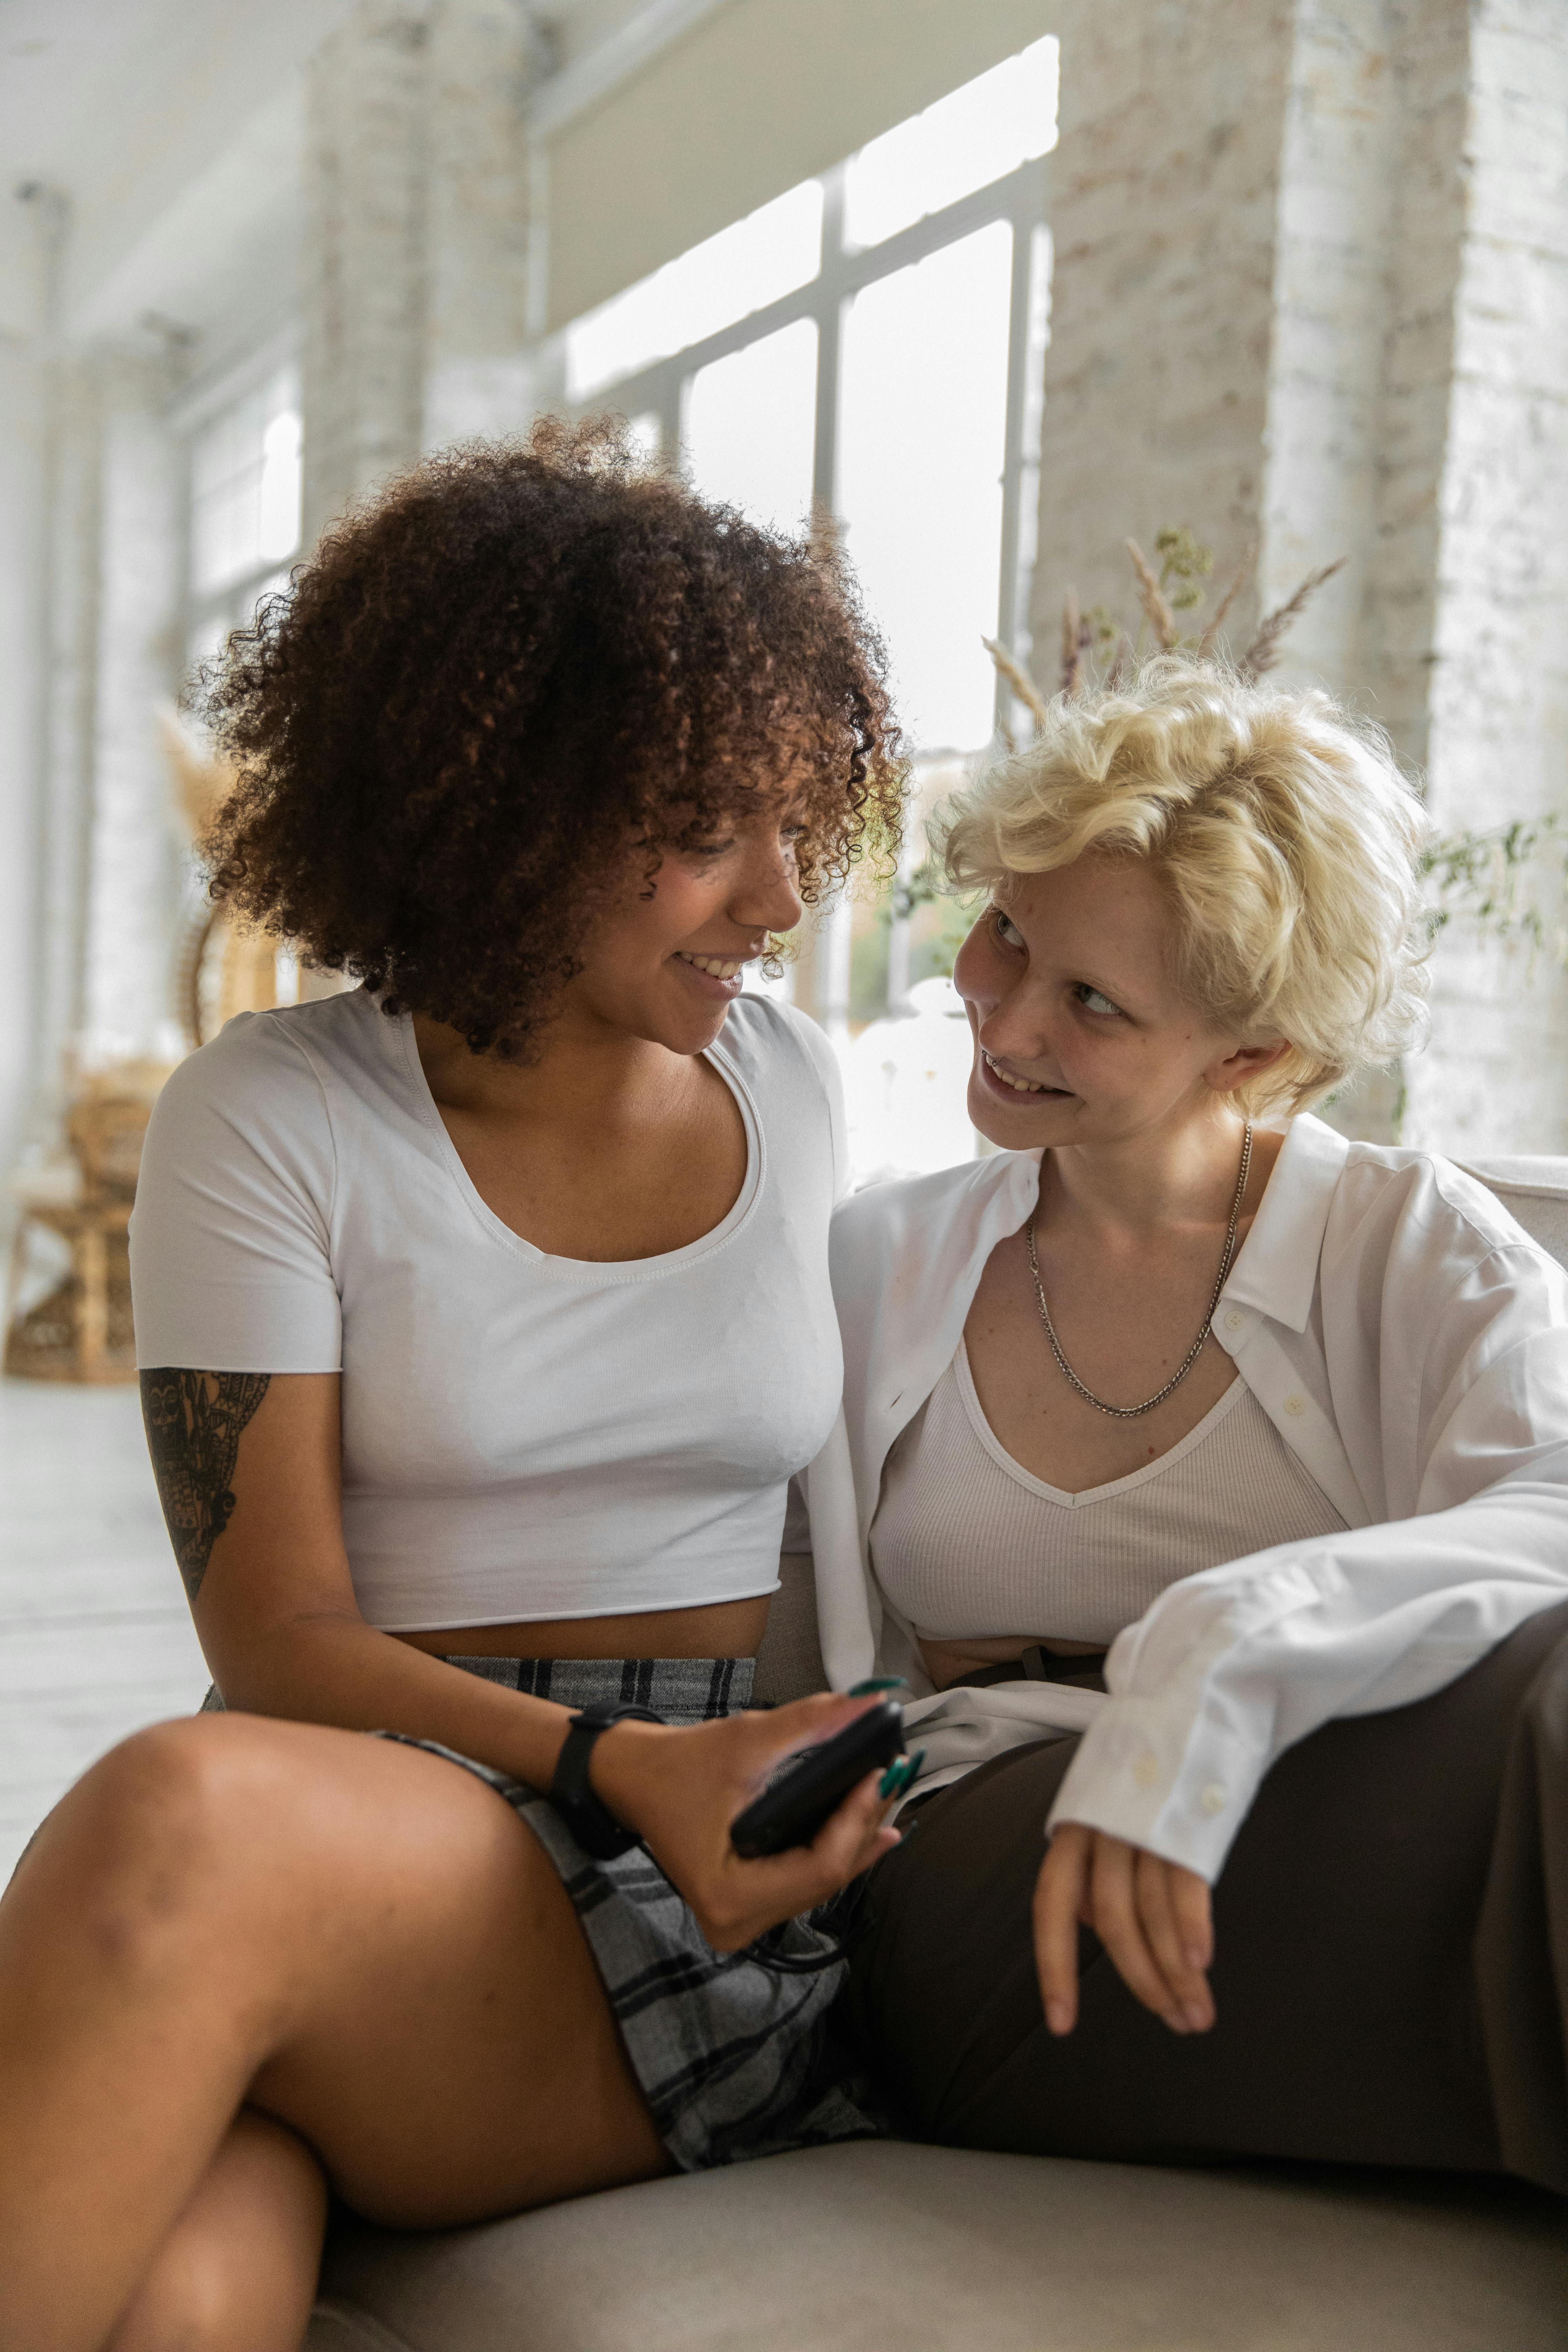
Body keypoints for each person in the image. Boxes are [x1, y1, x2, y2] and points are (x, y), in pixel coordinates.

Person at [0, 419, 912, 2352]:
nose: (775, 895)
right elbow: (279, 1638)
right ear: (504, 802)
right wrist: (601, 1761)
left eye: (794, 821)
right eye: (701, 827)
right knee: (181, 2287)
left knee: (178, 1825)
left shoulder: (800, 1088)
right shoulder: (278, 1113)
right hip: (379, 1807)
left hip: (674, 1892)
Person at [801, 657, 1568, 2189]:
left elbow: (1553, 1506)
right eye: (1008, 931)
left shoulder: (1405, 1244)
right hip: (991, 1873)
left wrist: (1223, 1649)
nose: (1004, 1015)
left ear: (1253, 1056)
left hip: (1331, 1812)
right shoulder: (882, 1259)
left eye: (1089, 1001)